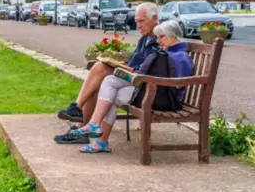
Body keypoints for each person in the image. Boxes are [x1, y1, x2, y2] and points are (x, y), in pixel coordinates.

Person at [69, 20, 194, 153]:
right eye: (157, 37)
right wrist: (134, 75)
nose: (158, 41)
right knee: (110, 84)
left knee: (110, 85)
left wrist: (140, 78)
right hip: (153, 91)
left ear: (173, 36)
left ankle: (97, 132)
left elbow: (177, 85)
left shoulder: (180, 57)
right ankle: (98, 136)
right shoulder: (169, 53)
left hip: (164, 99)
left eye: (161, 37)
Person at [54, 2, 161, 144]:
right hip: (134, 77)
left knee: (101, 68)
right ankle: (81, 126)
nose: (138, 25)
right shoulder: (145, 38)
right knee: (98, 83)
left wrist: (124, 68)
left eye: (142, 21)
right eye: (136, 21)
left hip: (143, 83)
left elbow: (148, 69)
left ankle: (77, 108)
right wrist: (119, 64)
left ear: (155, 18)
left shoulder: (161, 38)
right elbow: (135, 62)